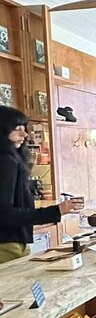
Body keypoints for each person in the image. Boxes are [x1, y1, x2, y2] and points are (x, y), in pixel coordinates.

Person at [0, 106, 82, 264]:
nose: (25, 134)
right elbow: (4, 213)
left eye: (24, 128)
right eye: (17, 129)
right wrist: (56, 211)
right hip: (7, 246)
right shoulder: (6, 161)